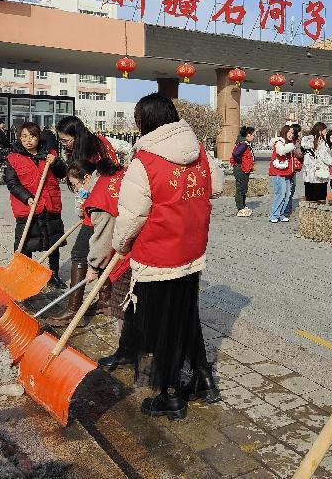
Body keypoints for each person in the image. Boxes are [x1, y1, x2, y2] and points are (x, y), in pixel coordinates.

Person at [107, 93, 219, 420]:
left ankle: (170, 394)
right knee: (186, 316)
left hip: (158, 256)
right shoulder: (199, 152)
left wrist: (121, 246)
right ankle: (203, 379)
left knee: (161, 324)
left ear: (145, 122)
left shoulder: (144, 162)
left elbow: (132, 217)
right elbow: (216, 187)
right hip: (191, 249)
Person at [45, 116, 122, 326]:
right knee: (105, 253)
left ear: (77, 135)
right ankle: (105, 301)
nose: (65, 144)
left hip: (101, 207)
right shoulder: (96, 143)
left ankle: (72, 310)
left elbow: (89, 184)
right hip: (105, 204)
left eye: (66, 140)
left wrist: (84, 207)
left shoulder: (92, 151)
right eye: (62, 141)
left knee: (80, 253)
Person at [4, 122, 67, 288]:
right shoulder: (13, 158)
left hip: (50, 204)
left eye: (32, 136)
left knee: (53, 242)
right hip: (28, 207)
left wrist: (56, 162)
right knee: (25, 243)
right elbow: (12, 183)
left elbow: (62, 173)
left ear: (39, 137)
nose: (28, 140)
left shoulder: (50, 154)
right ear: (19, 138)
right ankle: (24, 276)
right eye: (24, 136)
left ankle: (54, 274)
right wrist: (26, 198)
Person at [300, 122, 332, 202]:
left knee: (310, 200)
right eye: (325, 130)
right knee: (320, 201)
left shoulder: (307, 141)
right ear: (320, 131)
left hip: (308, 176)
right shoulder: (320, 143)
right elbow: (327, 159)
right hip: (320, 176)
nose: (326, 132)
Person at [268, 125, 296, 223]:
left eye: (293, 133)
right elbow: (281, 151)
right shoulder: (279, 142)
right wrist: (292, 145)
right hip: (278, 173)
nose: (292, 135)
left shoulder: (288, 143)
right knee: (280, 194)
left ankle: (281, 214)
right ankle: (274, 215)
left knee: (287, 195)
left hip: (287, 173)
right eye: (290, 132)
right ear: (285, 132)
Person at [230, 126, 256, 217]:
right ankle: (240, 208)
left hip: (243, 169)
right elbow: (235, 154)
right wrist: (240, 162)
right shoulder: (243, 144)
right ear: (248, 135)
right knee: (241, 189)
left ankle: (243, 206)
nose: (254, 137)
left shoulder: (244, 143)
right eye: (253, 135)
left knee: (243, 188)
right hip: (241, 169)